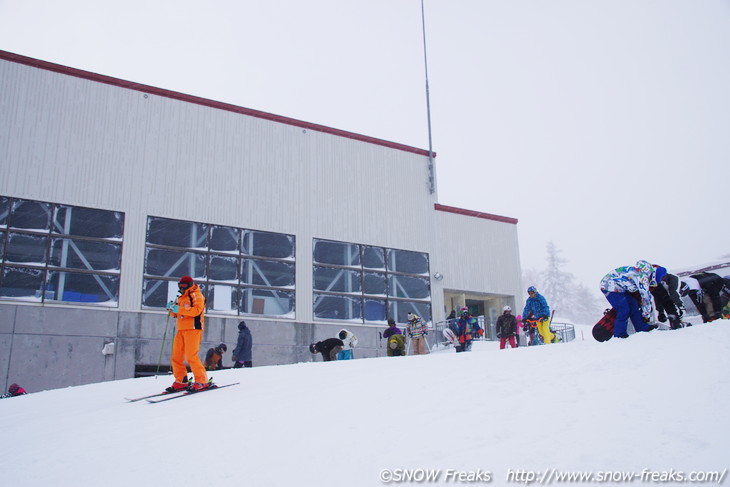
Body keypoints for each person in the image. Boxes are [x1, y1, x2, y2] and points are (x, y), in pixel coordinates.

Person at [165, 275, 210, 392]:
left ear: (190, 285)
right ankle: (181, 380)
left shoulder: (197, 296)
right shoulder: (181, 297)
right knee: (176, 356)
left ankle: (202, 380)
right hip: (181, 329)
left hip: (193, 329)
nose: (182, 288)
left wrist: (178, 309)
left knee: (191, 356)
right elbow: (178, 314)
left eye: (184, 286)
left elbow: (196, 311)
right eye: (180, 286)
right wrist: (171, 310)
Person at [599, 260, 657, 339]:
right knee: (623, 309)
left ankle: (641, 327)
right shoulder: (641, 277)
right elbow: (645, 297)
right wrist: (646, 315)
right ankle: (619, 334)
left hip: (620, 288)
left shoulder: (638, 272)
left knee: (633, 305)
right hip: (609, 287)